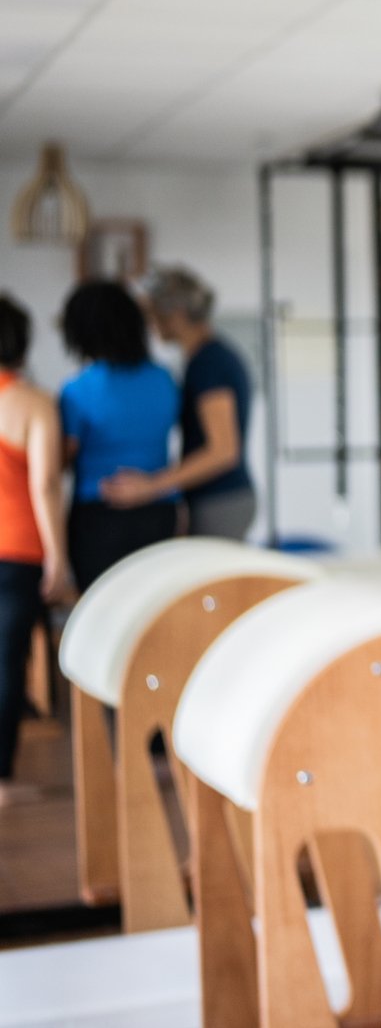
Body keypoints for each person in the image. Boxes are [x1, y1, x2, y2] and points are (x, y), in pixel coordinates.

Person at [102, 266, 256, 540]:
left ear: (175, 314)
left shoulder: (209, 363)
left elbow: (223, 450)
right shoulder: (206, 358)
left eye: (152, 314)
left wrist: (152, 485)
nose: (150, 324)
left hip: (222, 500)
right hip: (218, 499)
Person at [57, 281, 180, 593]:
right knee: (152, 605)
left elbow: (62, 459)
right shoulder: (164, 379)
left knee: (101, 609)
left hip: (99, 516)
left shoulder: (77, 391)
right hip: (159, 510)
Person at [0, 294, 70, 807]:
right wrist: (58, 558)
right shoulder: (33, 402)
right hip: (18, 548)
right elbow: (45, 483)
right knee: (7, 663)